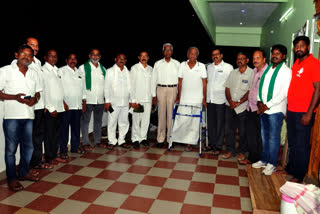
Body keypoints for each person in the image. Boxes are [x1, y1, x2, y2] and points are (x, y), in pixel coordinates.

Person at [0, 44, 42, 191]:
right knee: (11, 149)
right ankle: (12, 178)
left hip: (29, 115)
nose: (26, 56)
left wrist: (34, 100)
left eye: (29, 55)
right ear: (16, 55)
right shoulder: (5, 71)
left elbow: (38, 93)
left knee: (28, 147)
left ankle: (23, 172)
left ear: (32, 58)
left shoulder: (34, 73)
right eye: (23, 53)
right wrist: (14, 97)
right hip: (12, 116)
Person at [252, 44, 292, 176]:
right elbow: (261, 87)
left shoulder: (286, 71)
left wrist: (267, 105)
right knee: (265, 136)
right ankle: (264, 160)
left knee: (273, 138)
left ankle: (272, 164)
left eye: (278, 54)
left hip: (275, 109)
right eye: (273, 53)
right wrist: (259, 101)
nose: (274, 56)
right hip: (264, 109)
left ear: (284, 56)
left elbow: (283, 93)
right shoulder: (268, 69)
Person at [285, 36, 320, 182]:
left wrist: (308, 113)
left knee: (301, 145)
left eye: (301, 46)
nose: (298, 49)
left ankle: (299, 175)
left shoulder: (314, 64)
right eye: (296, 46)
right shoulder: (296, 64)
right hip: (292, 110)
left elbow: (318, 89)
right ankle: (291, 169)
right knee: (293, 142)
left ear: (308, 47)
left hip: (304, 112)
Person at [172, 47, 207, 151]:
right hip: (184, 98)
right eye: (191, 53)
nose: (193, 55)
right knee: (182, 119)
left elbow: (204, 83)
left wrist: (204, 99)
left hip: (197, 99)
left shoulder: (201, 66)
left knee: (194, 122)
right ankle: (179, 138)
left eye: (195, 54)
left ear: (197, 55)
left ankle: (190, 143)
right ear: (187, 54)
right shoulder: (182, 65)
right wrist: (179, 97)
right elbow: (179, 82)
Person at [223, 52, 254, 160]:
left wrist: (239, 102)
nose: (239, 60)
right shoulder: (233, 73)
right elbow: (227, 88)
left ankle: (241, 152)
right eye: (238, 59)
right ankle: (230, 150)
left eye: (242, 58)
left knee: (243, 131)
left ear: (247, 60)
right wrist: (230, 101)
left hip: (243, 107)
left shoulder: (252, 73)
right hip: (230, 106)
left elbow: (251, 90)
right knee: (229, 130)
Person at [240, 49, 268, 165]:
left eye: (258, 58)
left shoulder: (267, 72)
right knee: (251, 135)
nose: (255, 60)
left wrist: (262, 106)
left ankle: (260, 159)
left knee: (259, 136)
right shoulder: (255, 71)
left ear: (264, 59)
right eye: (254, 58)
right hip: (250, 108)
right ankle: (252, 158)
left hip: (259, 110)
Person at [205, 47, 233, 155]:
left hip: (221, 99)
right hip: (210, 99)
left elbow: (230, 83)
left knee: (220, 124)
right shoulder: (209, 67)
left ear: (221, 55)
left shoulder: (228, 67)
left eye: (217, 54)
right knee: (211, 123)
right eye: (213, 55)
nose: (215, 56)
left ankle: (218, 145)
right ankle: (211, 144)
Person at [152, 43, 180, 148]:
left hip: (173, 89)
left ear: (172, 52)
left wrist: (179, 94)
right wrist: (153, 95)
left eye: (169, 50)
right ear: (163, 51)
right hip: (161, 89)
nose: (167, 52)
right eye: (165, 50)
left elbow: (180, 80)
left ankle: (170, 139)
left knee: (171, 115)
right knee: (161, 115)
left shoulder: (177, 64)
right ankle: (160, 139)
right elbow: (153, 80)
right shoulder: (158, 64)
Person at [42, 49, 68, 165]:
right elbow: (45, 91)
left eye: (55, 56)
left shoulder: (56, 70)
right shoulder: (44, 71)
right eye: (51, 56)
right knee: (50, 134)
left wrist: (63, 102)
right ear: (45, 57)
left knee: (57, 133)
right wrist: (51, 107)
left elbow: (59, 88)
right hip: (51, 108)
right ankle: (49, 157)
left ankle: (54, 154)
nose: (53, 58)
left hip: (59, 106)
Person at [58, 53, 86, 159]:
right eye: (70, 59)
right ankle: (63, 150)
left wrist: (84, 102)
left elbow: (83, 88)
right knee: (64, 129)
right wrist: (63, 102)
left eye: (74, 59)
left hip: (78, 105)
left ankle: (75, 147)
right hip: (66, 106)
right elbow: (58, 88)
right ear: (66, 60)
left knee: (76, 128)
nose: (72, 61)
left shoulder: (79, 72)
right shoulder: (61, 71)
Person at [79, 49, 107, 150]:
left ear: (100, 56)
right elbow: (81, 85)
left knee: (98, 121)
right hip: (88, 99)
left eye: (97, 55)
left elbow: (105, 85)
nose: (95, 57)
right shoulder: (83, 68)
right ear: (89, 56)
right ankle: (85, 142)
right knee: (85, 121)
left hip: (100, 100)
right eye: (93, 55)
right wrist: (83, 100)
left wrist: (105, 98)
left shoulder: (103, 68)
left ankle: (97, 141)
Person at [104, 53, 131, 150]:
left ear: (126, 61)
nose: (121, 60)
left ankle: (121, 140)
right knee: (112, 122)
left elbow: (131, 88)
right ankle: (112, 141)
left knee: (124, 122)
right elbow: (106, 87)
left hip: (125, 102)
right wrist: (107, 101)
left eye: (124, 59)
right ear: (115, 59)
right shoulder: (110, 71)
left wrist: (131, 100)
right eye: (120, 58)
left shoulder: (127, 72)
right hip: (113, 103)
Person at [130, 51, 153, 149]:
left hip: (148, 99)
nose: (144, 58)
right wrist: (133, 100)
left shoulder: (151, 69)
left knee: (146, 120)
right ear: (139, 57)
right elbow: (131, 85)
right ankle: (135, 139)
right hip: (138, 99)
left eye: (145, 56)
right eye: (142, 56)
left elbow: (152, 84)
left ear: (148, 57)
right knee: (136, 120)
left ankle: (143, 138)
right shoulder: (134, 68)